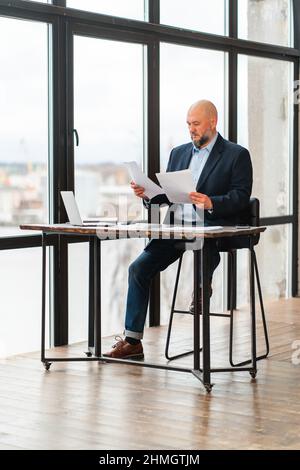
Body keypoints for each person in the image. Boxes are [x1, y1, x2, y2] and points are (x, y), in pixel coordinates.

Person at [104, 100, 253, 359]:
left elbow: (241, 196)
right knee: (138, 268)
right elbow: (169, 194)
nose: (191, 130)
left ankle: (201, 285)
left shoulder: (236, 154)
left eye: (196, 124)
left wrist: (211, 202)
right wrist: (148, 194)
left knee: (204, 245)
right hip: (176, 228)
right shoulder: (179, 153)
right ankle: (133, 342)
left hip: (210, 227)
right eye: (188, 124)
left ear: (213, 122)